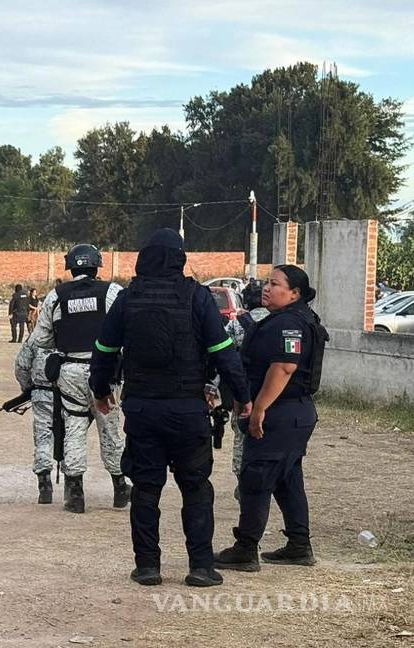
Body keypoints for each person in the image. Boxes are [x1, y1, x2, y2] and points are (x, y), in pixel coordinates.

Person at [91, 228, 251, 588]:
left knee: (146, 489)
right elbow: (223, 352)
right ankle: (201, 567)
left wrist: (101, 391)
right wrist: (242, 395)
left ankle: (147, 567)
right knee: (196, 488)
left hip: (142, 411)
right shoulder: (198, 297)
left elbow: (103, 350)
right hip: (188, 411)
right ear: (180, 258)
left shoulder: (128, 298)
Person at [214, 266, 326, 573]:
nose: (266, 288)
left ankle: (246, 549)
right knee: (288, 479)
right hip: (293, 412)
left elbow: (284, 367)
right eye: (267, 282)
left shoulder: (290, 323)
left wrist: (260, 408)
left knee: (256, 479)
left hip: (281, 412)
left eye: (275, 284)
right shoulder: (292, 318)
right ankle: (299, 545)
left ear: (294, 293)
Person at [32, 244, 129, 513]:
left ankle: (75, 493)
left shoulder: (56, 295)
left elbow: (41, 338)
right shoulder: (112, 291)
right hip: (105, 370)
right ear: (97, 265)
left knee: (73, 428)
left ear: (70, 267)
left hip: (70, 370)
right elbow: (127, 327)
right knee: (110, 428)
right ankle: (120, 488)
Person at [219, 279, 270, 499]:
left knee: (241, 436)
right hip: (274, 392)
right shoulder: (278, 322)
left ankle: (242, 482)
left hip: (244, 391)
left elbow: (224, 357)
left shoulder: (237, 325)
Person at [14, 336, 56, 503]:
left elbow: (21, 366)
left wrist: (28, 388)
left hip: (42, 392)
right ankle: (74, 486)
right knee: (71, 436)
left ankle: (44, 484)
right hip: (69, 394)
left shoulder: (37, 337)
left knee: (43, 436)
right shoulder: (76, 331)